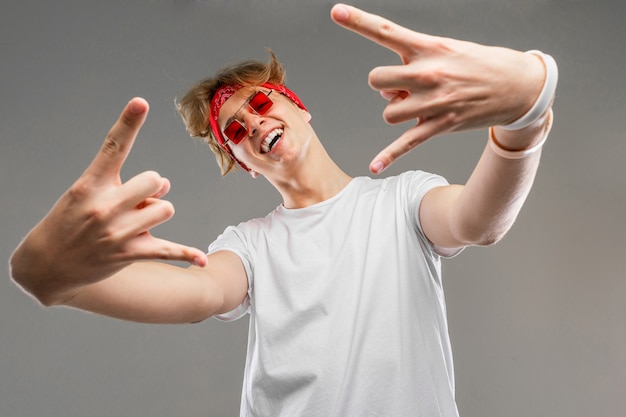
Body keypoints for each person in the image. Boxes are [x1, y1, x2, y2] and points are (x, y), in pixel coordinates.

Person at [9, 3, 557, 417]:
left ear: (300, 108)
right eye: (236, 132)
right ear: (242, 163)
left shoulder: (403, 201)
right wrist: (59, 276)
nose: (255, 125)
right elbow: (197, 293)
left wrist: (524, 122)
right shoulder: (249, 245)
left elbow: (477, 222)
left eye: (263, 103)